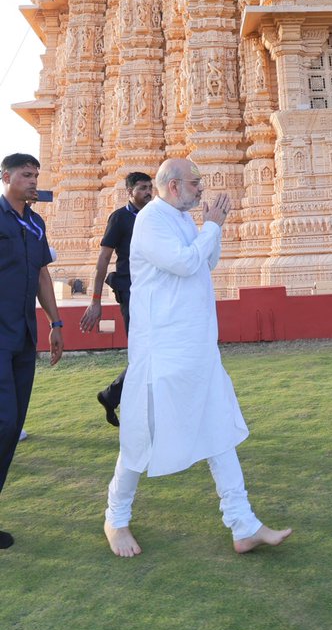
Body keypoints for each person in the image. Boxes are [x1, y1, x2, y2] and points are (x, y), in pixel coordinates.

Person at [103, 157, 291, 558]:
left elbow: (206, 262)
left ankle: (243, 524)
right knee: (141, 437)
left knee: (217, 429)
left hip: (197, 347)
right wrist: (213, 227)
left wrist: (211, 231)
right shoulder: (152, 221)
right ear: (173, 186)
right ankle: (115, 518)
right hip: (163, 350)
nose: (201, 189)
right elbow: (186, 262)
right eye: (195, 183)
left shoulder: (182, 219)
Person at [0, 153, 64, 549]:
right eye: (26, 174)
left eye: (36, 175)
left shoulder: (36, 224)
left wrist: (55, 324)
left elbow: (42, 274)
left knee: (13, 423)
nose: (32, 180)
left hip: (23, 336)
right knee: (5, 421)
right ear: (5, 177)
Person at [80, 172, 153, 425]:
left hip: (153, 291)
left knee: (154, 349)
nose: (148, 192)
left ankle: (112, 396)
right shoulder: (120, 218)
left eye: (150, 187)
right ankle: (118, 398)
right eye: (142, 188)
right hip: (131, 291)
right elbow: (103, 260)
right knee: (144, 351)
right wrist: (96, 300)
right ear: (129, 192)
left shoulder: (154, 215)